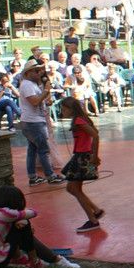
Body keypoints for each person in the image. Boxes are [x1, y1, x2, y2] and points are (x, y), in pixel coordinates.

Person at [0, 186, 79, 268]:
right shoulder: (6, 214)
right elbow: (33, 212)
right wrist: (20, 218)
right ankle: (44, 261)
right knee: (25, 225)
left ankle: (20, 259)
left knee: (19, 224)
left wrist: (17, 219)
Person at [58, 97, 104, 233]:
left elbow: (95, 136)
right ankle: (96, 210)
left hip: (82, 157)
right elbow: (95, 133)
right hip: (82, 155)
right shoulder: (81, 119)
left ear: (71, 109)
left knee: (74, 189)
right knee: (72, 188)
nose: (62, 112)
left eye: (64, 109)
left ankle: (93, 220)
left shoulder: (78, 121)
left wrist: (95, 156)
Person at [18, 59, 62, 186]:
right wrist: (46, 91)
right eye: (36, 71)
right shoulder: (27, 85)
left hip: (32, 121)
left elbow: (38, 100)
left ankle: (33, 177)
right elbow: (35, 102)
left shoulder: (31, 84)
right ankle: (50, 176)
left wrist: (46, 99)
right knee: (43, 150)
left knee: (32, 150)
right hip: (34, 122)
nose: (39, 73)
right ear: (28, 73)